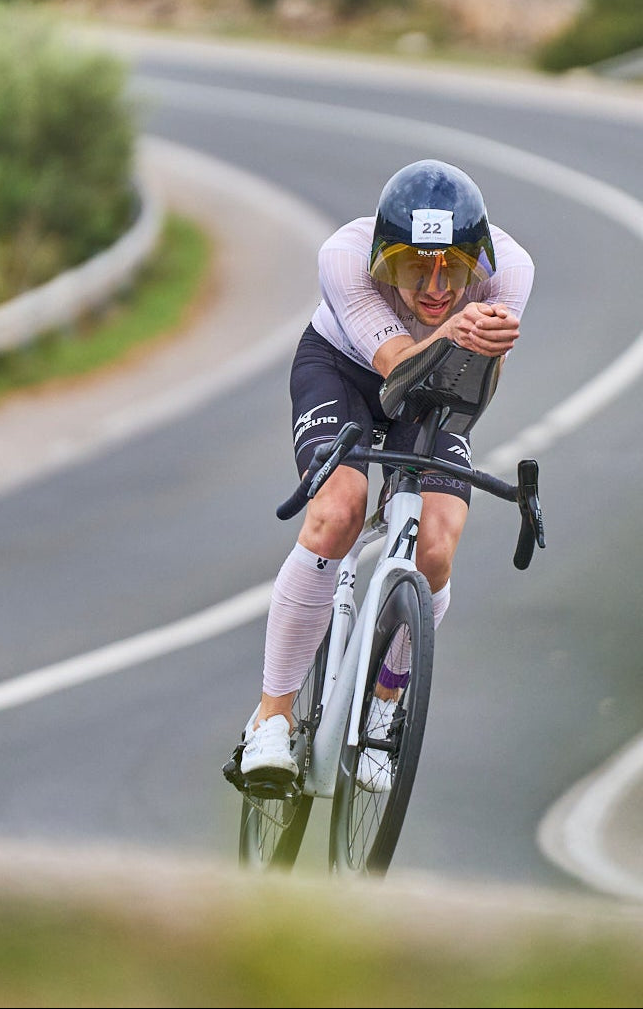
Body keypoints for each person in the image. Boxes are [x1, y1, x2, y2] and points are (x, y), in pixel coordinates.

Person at [238, 158, 534, 789]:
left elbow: (479, 385)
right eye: (410, 267)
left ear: (477, 260)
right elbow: (397, 365)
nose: (433, 286)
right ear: (380, 260)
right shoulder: (343, 256)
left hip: (443, 384)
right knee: (338, 510)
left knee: (437, 543)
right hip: (347, 369)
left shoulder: (512, 269)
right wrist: (455, 330)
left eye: (453, 268)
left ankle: (385, 704)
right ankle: (273, 720)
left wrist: (482, 348)